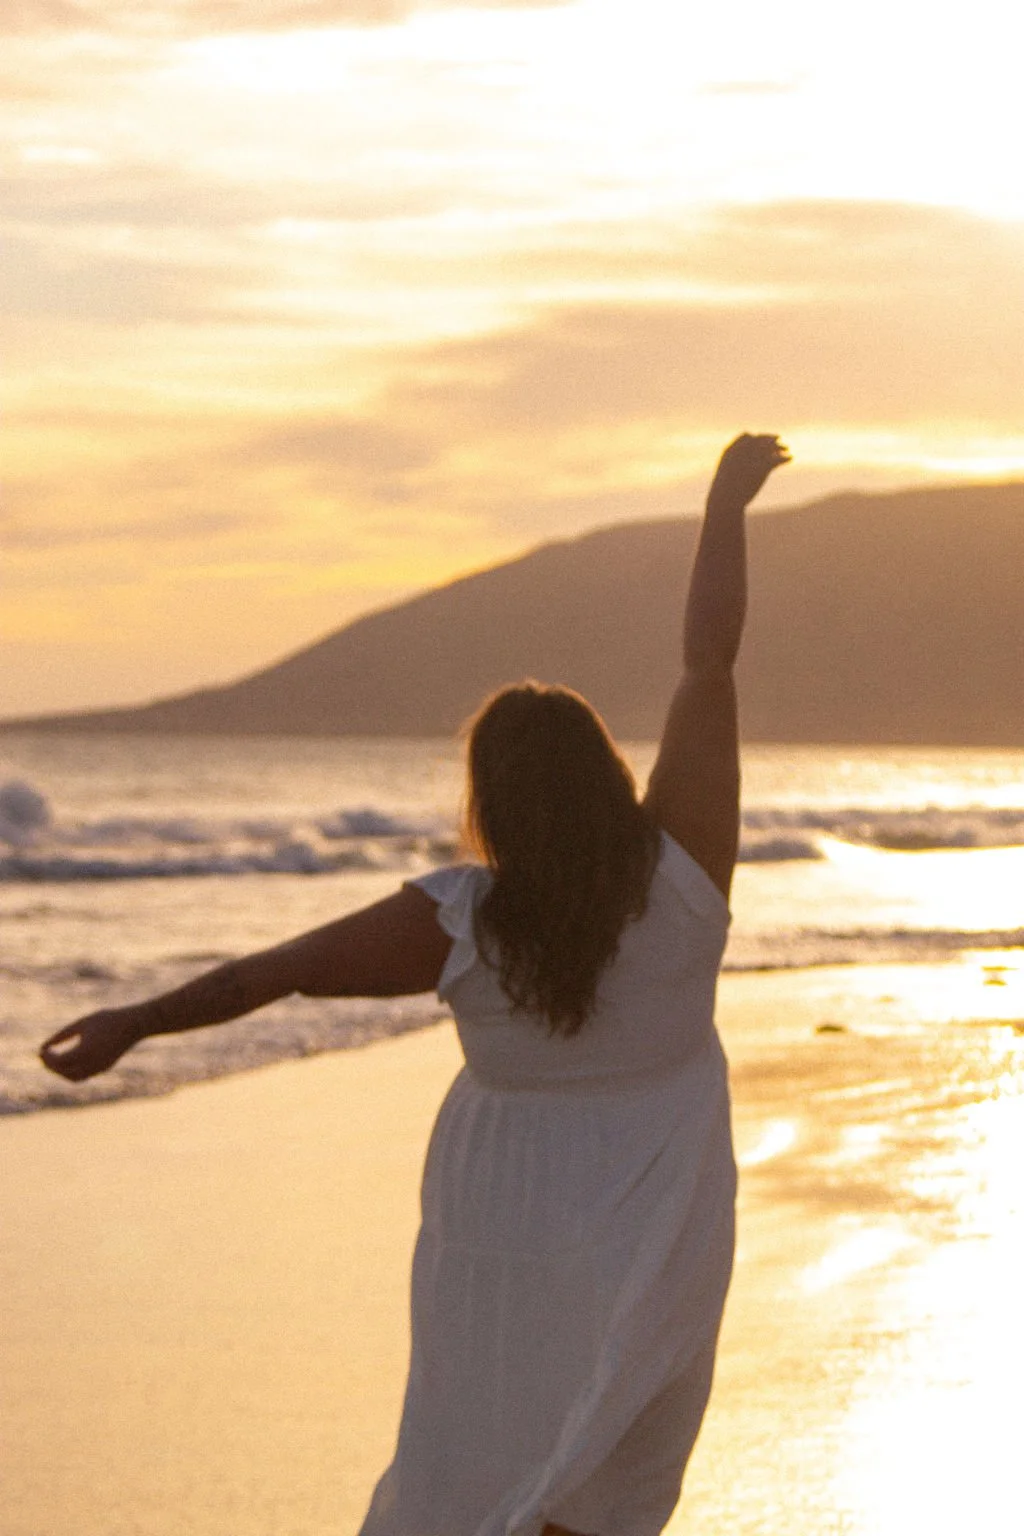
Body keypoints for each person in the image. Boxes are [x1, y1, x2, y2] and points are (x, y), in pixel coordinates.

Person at [41, 432, 790, 1536]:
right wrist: (725, 507)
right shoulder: (682, 883)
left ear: (491, 797)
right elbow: (707, 664)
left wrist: (133, 1024)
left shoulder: (463, 921)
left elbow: (278, 972)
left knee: (482, 1454)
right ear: (604, 774)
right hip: (659, 1207)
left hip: (503, 1227)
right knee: (613, 1461)